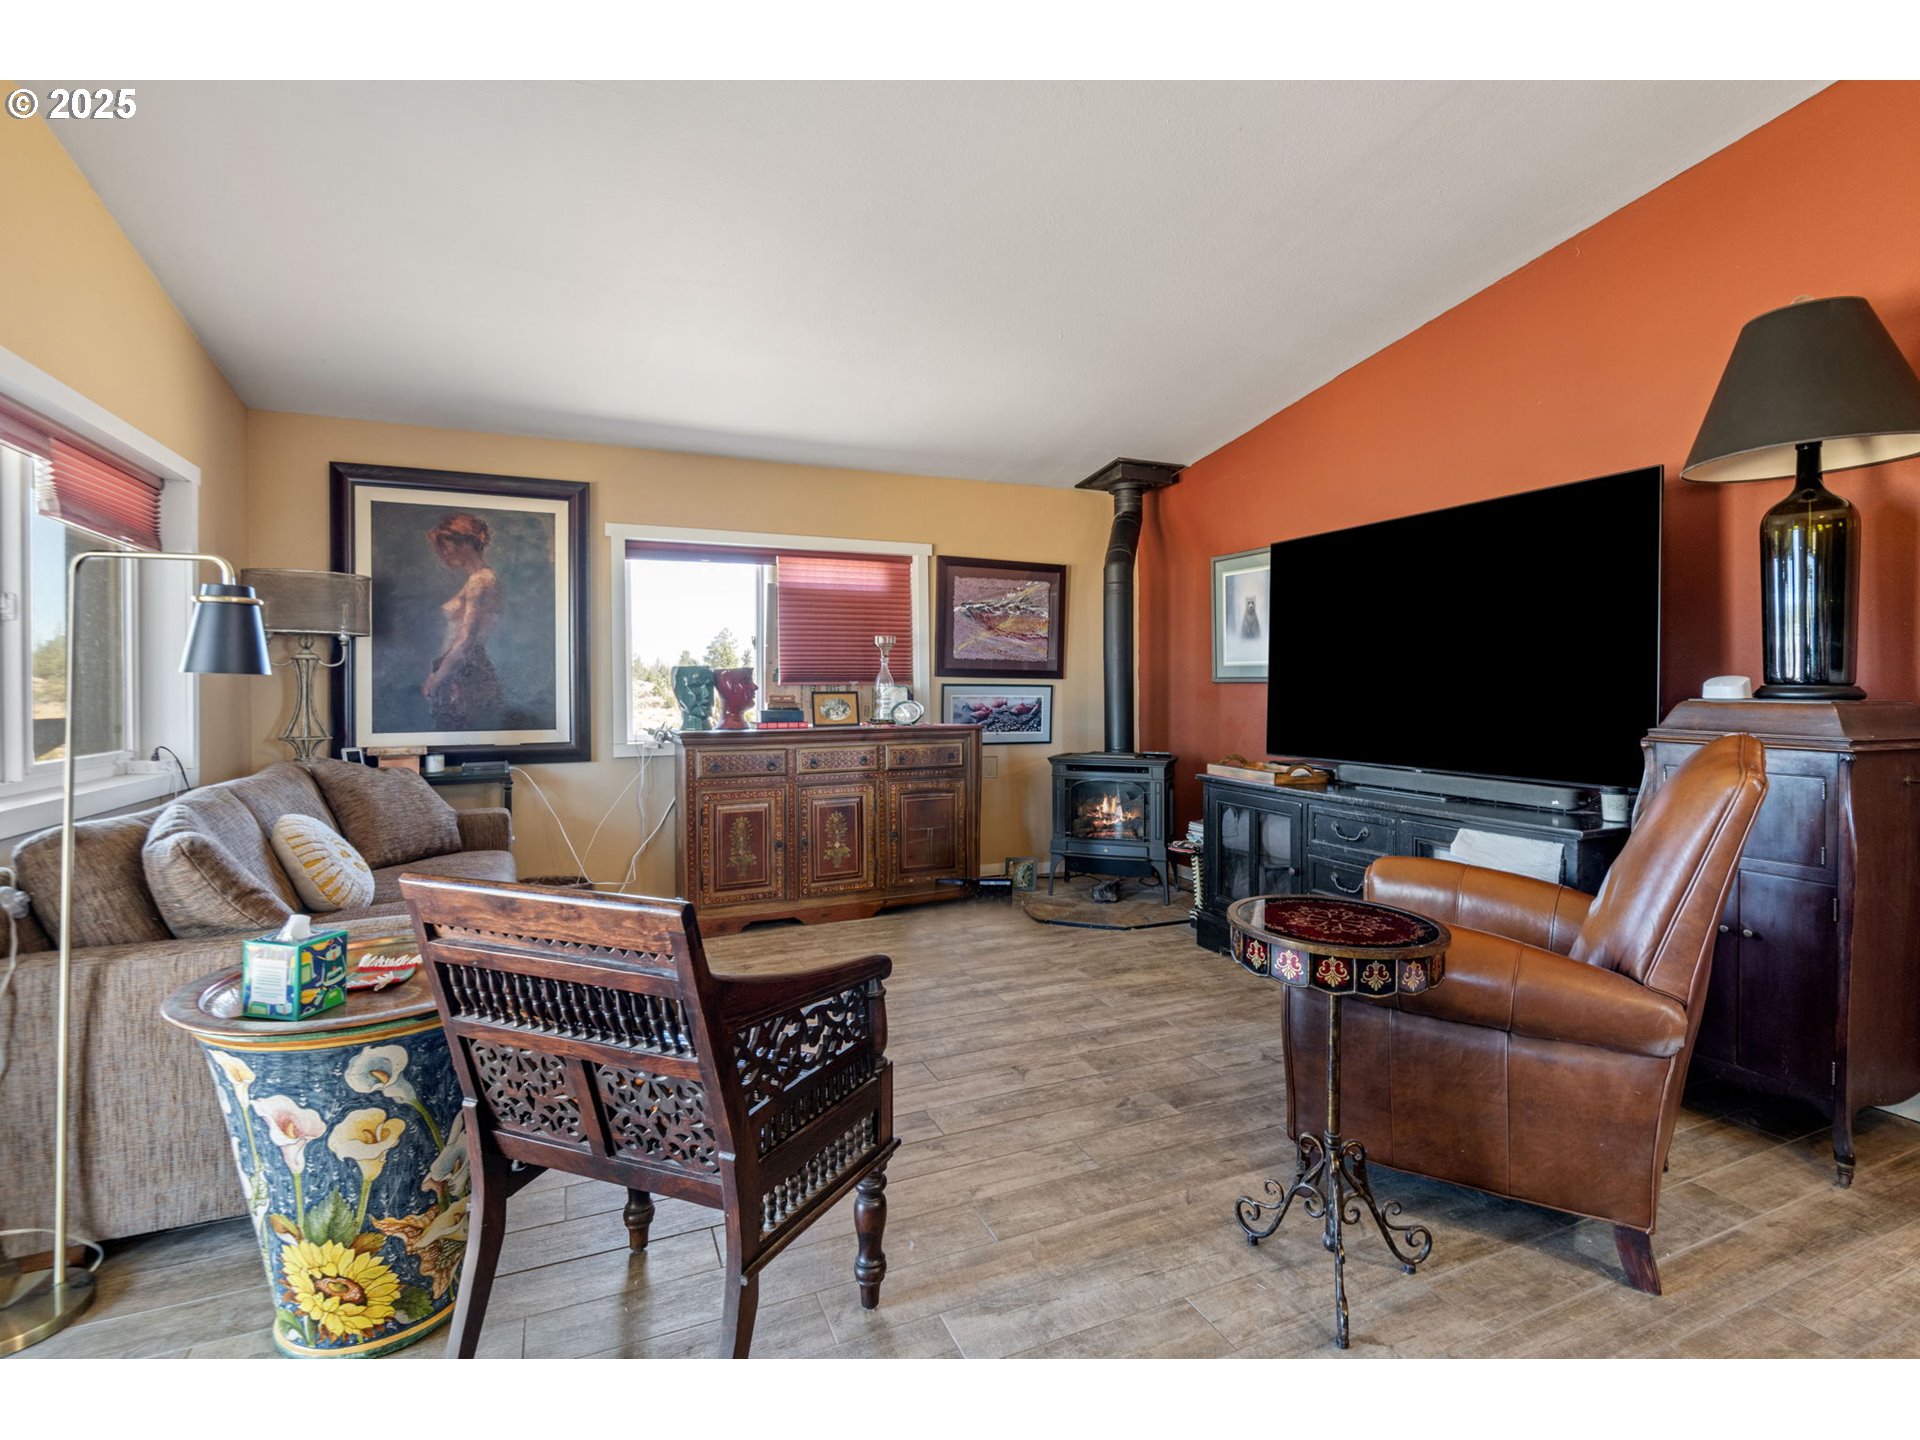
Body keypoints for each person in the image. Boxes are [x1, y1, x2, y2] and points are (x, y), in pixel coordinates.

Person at [423, 512, 503, 728]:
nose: (442, 554)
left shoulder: (481, 582)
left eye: (445, 546)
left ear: (464, 544)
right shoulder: (477, 579)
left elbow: (466, 639)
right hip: (456, 666)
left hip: (466, 670)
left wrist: (437, 677)